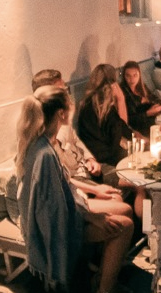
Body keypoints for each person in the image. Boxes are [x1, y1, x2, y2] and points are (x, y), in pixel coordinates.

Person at [16, 86, 133, 293]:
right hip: (60, 228)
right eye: (69, 104)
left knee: (124, 208)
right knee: (125, 225)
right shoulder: (45, 154)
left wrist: (95, 195)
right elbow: (55, 209)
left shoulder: (40, 141)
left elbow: (63, 188)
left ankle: (102, 275)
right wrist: (93, 217)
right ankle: (105, 289)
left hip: (68, 210)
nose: (73, 107)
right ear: (61, 113)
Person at [30, 70, 129, 214]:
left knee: (136, 181)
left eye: (65, 89)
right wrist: (95, 189)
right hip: (77, 180)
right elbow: (63, 179)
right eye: (61, 91)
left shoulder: (61, 119)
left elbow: (76, 140)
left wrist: (90, 158)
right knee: (119, 203)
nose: (67, 95)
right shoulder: (44, 137)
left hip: (87, 169)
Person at [77, 64, 136, 168]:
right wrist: (121, 99)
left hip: (92, 152)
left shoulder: (86, 103)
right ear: (113, 83)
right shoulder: (104, 108)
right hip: (105, 157)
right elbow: (122, 129)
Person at [119, 60, 161, 136]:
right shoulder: (122, 92)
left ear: (139, 75)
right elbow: (129, 119)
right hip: (139, 126)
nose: (132, 79)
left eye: (135, 75)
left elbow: (156, 98)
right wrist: (147, 113)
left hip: (151, 119)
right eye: (128, 76)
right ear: (124, 76)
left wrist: (155, 106)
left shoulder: (141, 87)